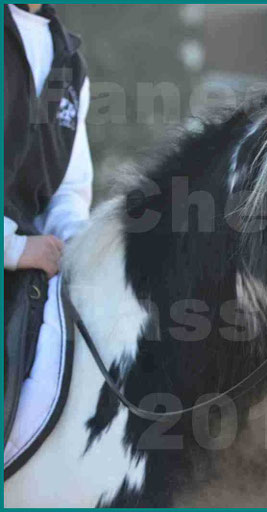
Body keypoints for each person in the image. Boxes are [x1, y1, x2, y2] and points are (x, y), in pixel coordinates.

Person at [4, 3, 93, 442]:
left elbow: (68, 189)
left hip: (29, 274)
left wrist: (82, 246)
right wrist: (12, 247)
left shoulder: (71, 63)